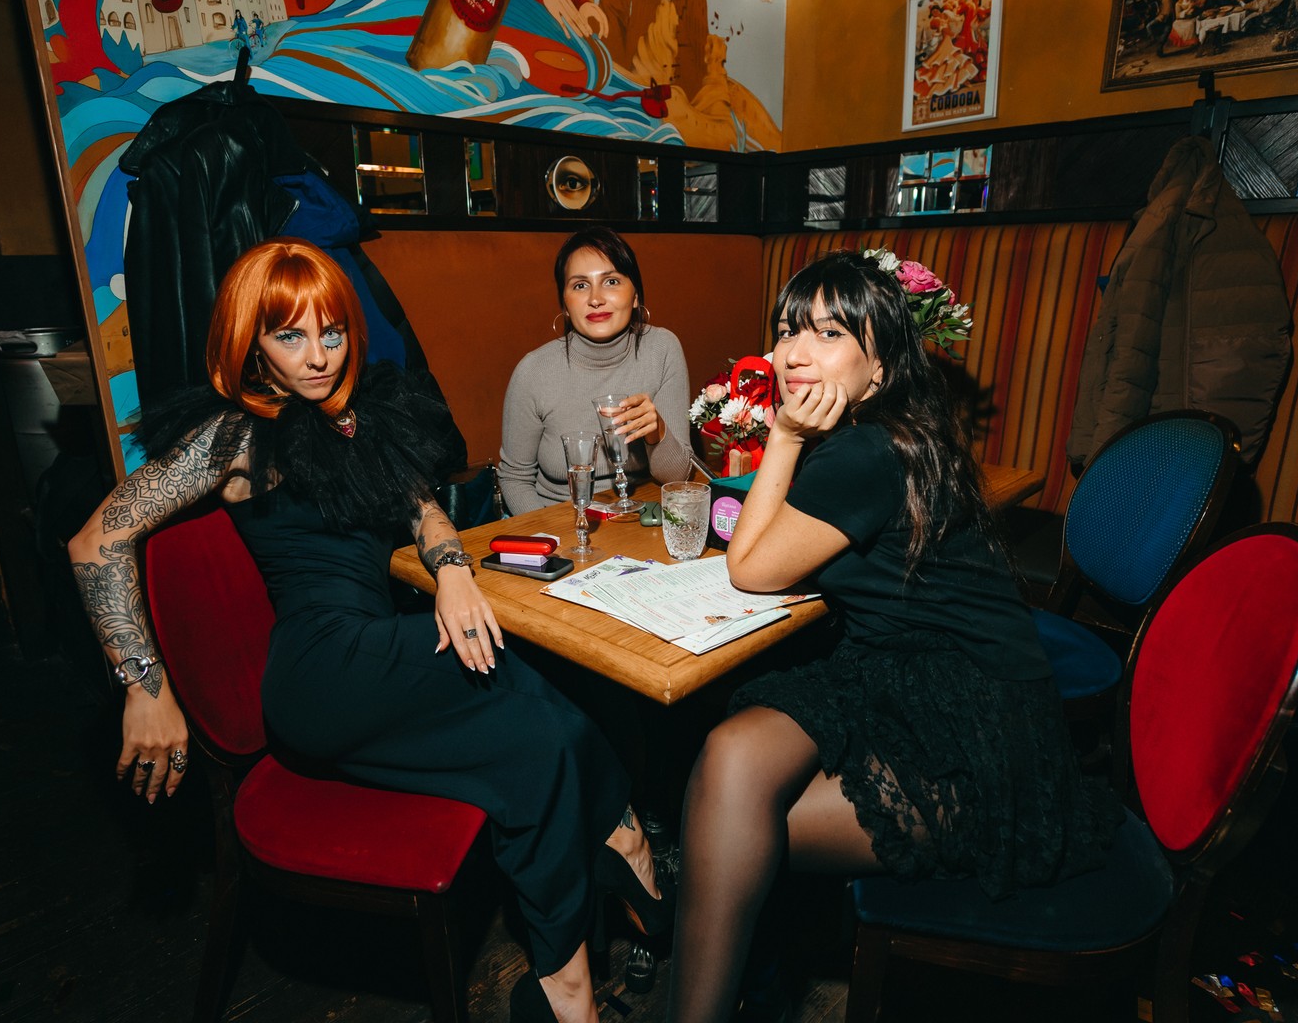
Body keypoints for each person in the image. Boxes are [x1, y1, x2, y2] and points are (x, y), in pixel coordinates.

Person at [67, 239, 668, 1023]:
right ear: (252, 343)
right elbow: (96, 541)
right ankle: (621, 835)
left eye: (332, 333)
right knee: (536, 680)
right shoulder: (237, 436)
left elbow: (423, 509)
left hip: (383, 654)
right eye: (290, 336)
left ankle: (568, 988)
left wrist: (452, 572)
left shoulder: (361, 418)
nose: (318, 356)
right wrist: (145, 688)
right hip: (322, 675)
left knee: (541, 744)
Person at [664, 251, 1123, 1022]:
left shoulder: (865, 450)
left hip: (978, 734)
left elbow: (750, 566)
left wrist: (783, 435)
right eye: (788, 329)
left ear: (878, 370)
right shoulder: (891, 431)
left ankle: (721, 974)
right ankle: (739, 980)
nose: (794, 351)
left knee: (723, 825)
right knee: (732, 759)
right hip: (913, 676)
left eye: (829, 333)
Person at [499, 227, 694, 513]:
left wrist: (657, 431)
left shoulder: (661, 349)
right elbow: (514, 478)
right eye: (580, 285)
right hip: (558, 522)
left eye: (611, 281)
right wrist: (551, 535)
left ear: (635, 295)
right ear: (565, 305)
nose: (595, 298)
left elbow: (677, 477)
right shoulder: (534, 371)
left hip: (639, 518)